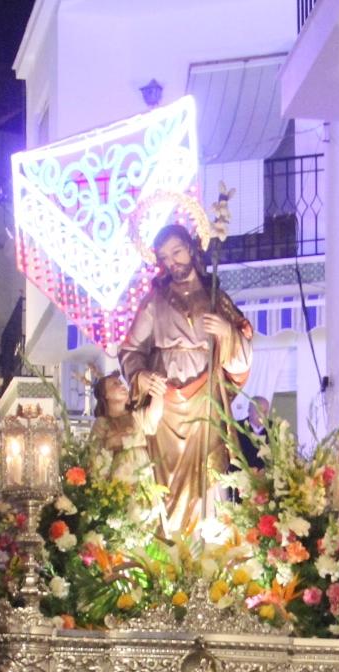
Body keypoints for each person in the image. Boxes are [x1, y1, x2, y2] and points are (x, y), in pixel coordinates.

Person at [120, 222, 254, 541]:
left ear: (192, 250)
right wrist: (141, 376)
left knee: (209, 477)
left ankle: (209, 554)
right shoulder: (155, 301)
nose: (172, 262)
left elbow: (242, 358)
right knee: (165, 485)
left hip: (205, 402)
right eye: (165, 258)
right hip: (165, 407)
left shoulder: (215, 298)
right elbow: (130, 350)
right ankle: (168, 550)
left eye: (177, 252)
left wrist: (226, 333)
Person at [89, 370, 161, 486]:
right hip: (118, 480)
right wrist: (112, 442)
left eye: (121, 382)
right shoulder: (102, 423)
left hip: (142, 475)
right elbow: (94, 455)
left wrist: (158, 391)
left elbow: (153, 416)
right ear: (106, 395)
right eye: (115, 384)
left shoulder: (135, 416)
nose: (122, 385)